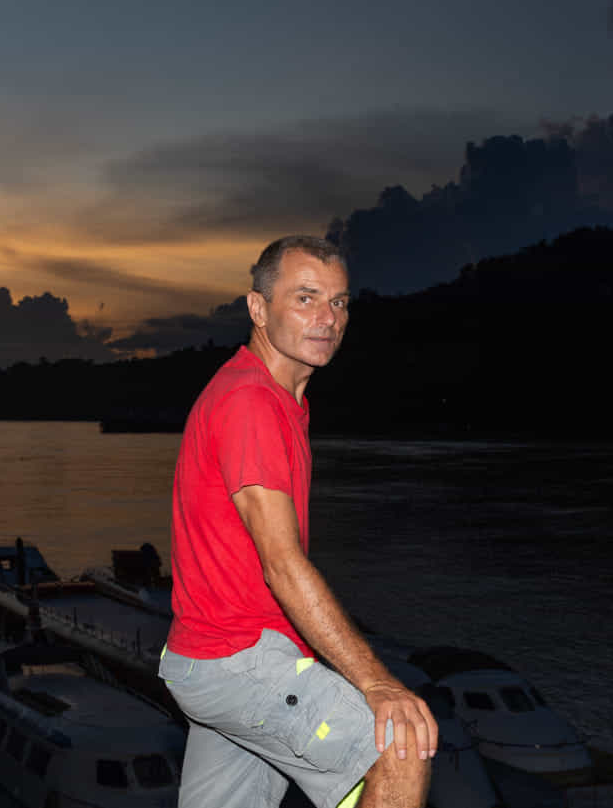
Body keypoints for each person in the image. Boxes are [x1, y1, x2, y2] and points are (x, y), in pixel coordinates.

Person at [160, 235, 436, 808]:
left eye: (339, 302)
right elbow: (283, 564)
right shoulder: (251, 402)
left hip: (209, 660)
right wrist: (378, 684)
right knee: (399, 746)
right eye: (306, 298)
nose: (327, 318)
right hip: (239, 659)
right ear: (258, 309)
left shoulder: (279, 400)